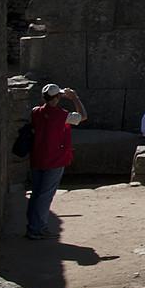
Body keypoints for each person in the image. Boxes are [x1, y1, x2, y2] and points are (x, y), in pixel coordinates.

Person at [26, 83, 85, 240]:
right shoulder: (62, 115)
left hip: (37, 157)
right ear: (57, 97)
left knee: (36, 194)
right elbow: (83, 116)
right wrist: (75, 98)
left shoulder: (35, 112)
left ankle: (35, 226)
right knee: (45, 195)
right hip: (54, 159)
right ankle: (36, 229)